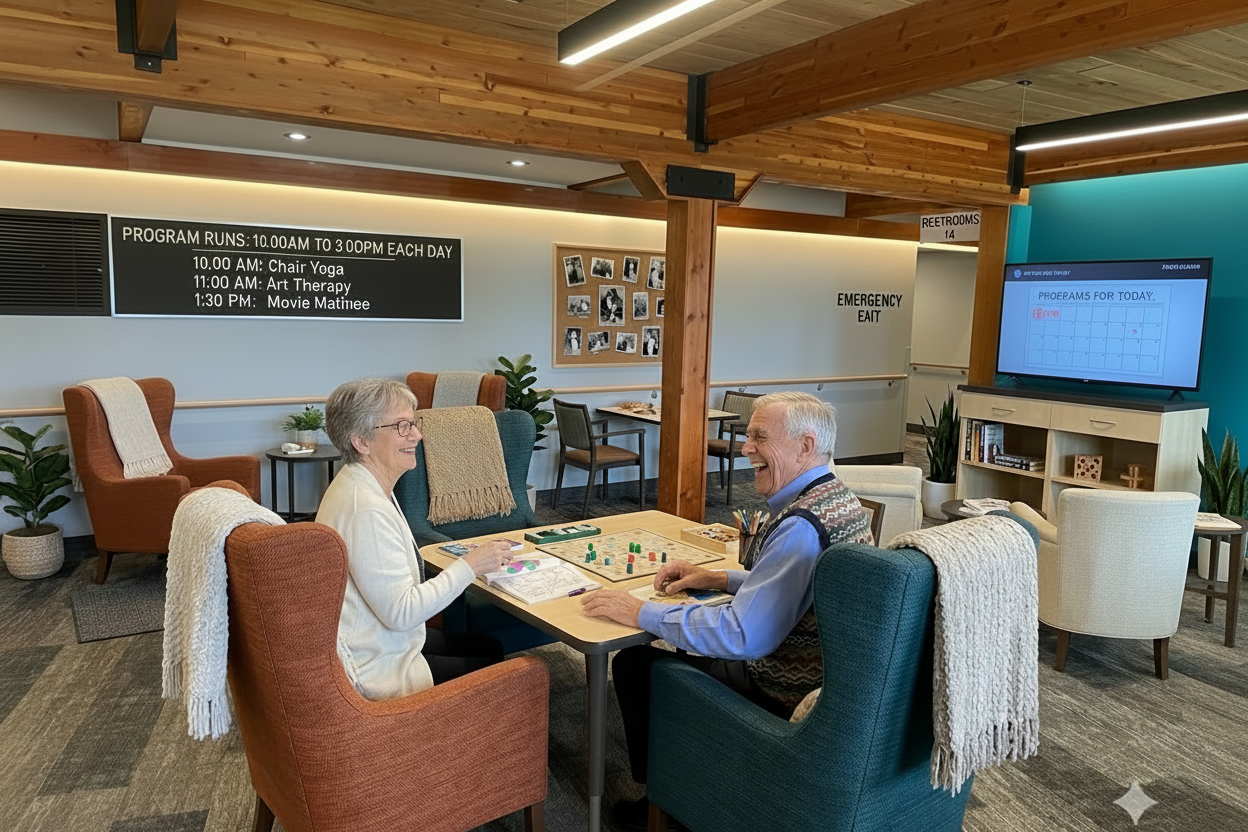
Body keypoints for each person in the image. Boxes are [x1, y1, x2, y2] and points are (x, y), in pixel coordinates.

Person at [580, 391, 871, 829]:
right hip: (830, 675)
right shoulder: (837, 498)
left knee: (635, 663)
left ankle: (666, 800)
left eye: (759, 437)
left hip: (779, 690)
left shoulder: (799, 527)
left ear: (805, 446)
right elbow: (796, 588)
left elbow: (742, 636)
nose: (745, 447)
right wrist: (719, 578)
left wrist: (638, 612)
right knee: (679, 642)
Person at [316, 377, 514, 701]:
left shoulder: (361, 484)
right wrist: (470, 565)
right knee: (492, 661)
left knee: (488, 645)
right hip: (378, 666)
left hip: (382, 638)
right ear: (361, 442)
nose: (418, 435)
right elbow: (402, 613)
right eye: (402, 426)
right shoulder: (365, 509)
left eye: (414, 423)